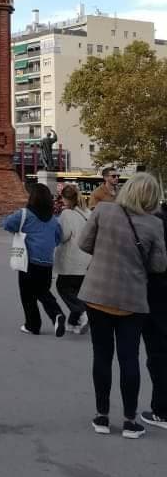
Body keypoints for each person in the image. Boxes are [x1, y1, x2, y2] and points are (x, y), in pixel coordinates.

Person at [78, 172, 167, 437]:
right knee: (129, 359)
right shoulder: (153, 224)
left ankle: (101, 417)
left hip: (98, 294)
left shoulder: (103, 211)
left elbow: (84, 243)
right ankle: (130, 421)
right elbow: (159, 265)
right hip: (132, 300)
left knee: (102, 357)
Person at [2, 183, 65, 337]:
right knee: (43, 291)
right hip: (47, 263)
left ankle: (32, 325)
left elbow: (7, 224)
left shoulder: (25, 214)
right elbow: (58, 238)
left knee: (27, 295)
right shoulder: (53, 219)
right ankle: (56, 314)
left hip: (28, 261)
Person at [142, 201, 167, 429]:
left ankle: (162, 410)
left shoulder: (157, 222)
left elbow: (155, 263)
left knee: (159, 353)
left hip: (158, 294)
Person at [55, 185, 91, 333]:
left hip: (71, 259)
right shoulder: (88, 212)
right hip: (87, 258)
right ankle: (73, 323)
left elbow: (64, 236)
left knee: (62, 287)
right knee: (77, 291)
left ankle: (82, 312)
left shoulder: (66, 214)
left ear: (65, 198)